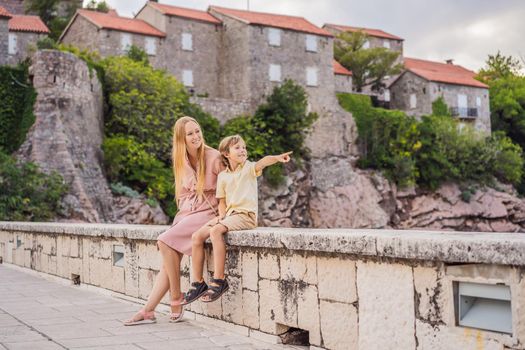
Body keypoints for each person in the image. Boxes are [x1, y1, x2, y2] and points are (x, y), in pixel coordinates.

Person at [124, 116, 223, 325]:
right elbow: (183, 195)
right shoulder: (181, 160)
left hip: (209, 212)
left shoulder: (214, 157)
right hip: (189, 213)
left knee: (164, 240)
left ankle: (176, 298)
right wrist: (183, 216)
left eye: (197, 131)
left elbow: (229, 188)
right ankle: (148, 310)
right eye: (190, 134)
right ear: (181, 139)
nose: (196, 136)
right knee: (169, 262)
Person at [181, 134, 291, 304]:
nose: (243, 150)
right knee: (197, 236)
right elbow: (222, 202)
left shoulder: (248, 168)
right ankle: (198, 283)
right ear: (226, 153)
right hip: (230, 216)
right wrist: (221, 217)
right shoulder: (223, 176)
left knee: (216, 231)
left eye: (244, 147)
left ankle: (219, 280)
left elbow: (263, 162)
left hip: (246, 216)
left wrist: (276, 158)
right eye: (237, 148)